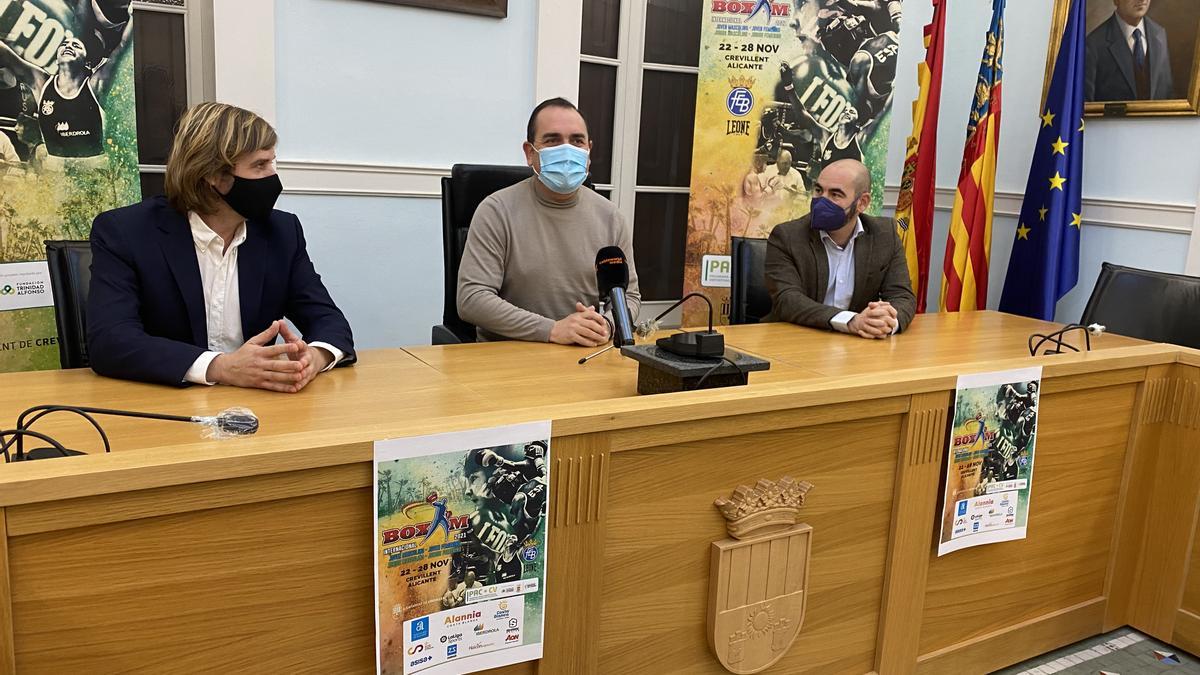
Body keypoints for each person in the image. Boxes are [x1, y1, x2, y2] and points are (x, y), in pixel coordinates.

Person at [87, 102, 355, 389]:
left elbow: (329, 321)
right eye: (259, 165)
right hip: (163, 405)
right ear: (213, 175)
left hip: (258, 407)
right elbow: (111, 341)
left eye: (272, 162)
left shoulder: (282, 233)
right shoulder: (127, 232)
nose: (273, 178)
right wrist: (219, 367)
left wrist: (313, 358)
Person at [457, 97, 641, 345]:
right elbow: (471, 298)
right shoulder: (497, 210)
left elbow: (628, 295)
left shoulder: (610, 217)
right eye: (553, 140)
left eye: (577, 140)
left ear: (588, 152)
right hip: (507, 359)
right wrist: (552, 330)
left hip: (583, 354)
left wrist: (606, 325)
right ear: (530, 153)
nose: (567, 150)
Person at [764, 158, 915, 336]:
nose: (822, 201)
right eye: (819, 190)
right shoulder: (787, 236)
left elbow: (902, 296)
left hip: (856, 345)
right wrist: (850, 321)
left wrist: (887, 322)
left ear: (862, 202)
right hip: (796, 338)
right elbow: (788, 300)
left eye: (835, 194)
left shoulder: (884, 235)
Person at [0, 26, 129, 158]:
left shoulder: (96, 85)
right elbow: (8, 57)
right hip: (55, 169)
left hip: (93, 168)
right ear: (57, 59)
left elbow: (122, 47)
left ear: (87, 61)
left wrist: (132, 14)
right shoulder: (42, 83)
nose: (68, 46)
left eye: (76, 46)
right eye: (64, 44)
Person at [1085, 0, 1173, 101]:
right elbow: (1088, 109)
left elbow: (1167, 95)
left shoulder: (1159, 34)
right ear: (1116, 1)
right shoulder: (1094, 44)